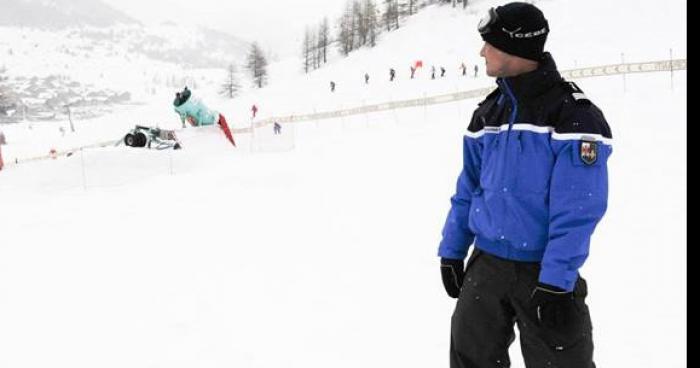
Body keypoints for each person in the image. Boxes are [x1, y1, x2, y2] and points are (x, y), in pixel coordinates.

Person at [438, 3, 612, 367]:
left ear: (514, 47)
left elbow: (579, 209)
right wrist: (453, 250)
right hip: (486, 267)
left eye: (489, 44)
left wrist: (556, 281)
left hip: (544, 270)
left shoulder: (573, 115)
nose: (481, 52)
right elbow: (468, 189)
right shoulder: (489, 112)